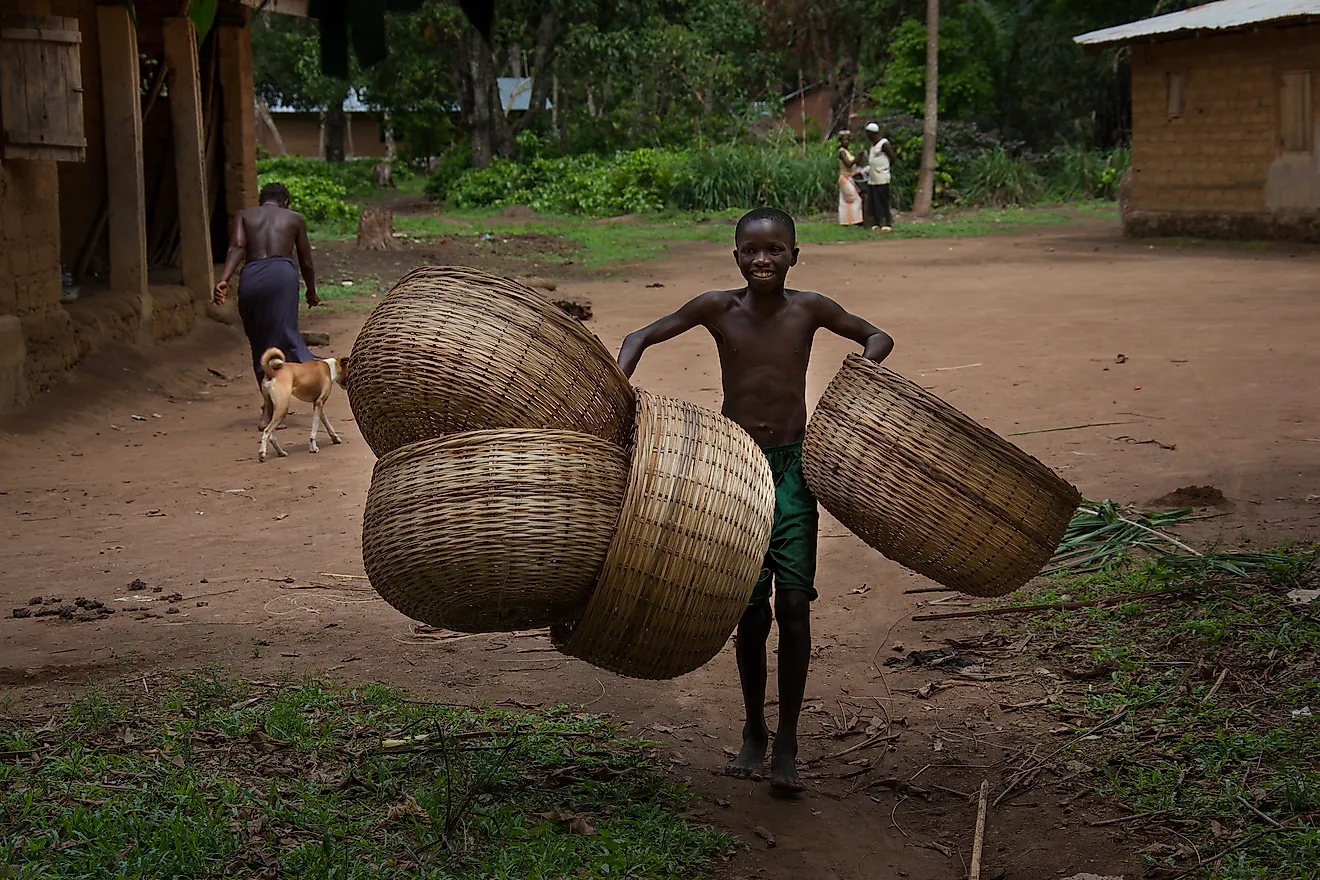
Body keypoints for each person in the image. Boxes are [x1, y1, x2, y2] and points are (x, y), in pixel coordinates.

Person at [617, 207, 894, 795]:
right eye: (751, 250)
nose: (762, 259)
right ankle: (754, 729)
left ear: (795, 254)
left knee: (794, 605)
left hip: (796, 469)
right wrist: (620, 384)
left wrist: (857, 377)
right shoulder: (717, 308)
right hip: (734, 468)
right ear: (735, 255)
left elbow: (878, 336)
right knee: (750, 609)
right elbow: (640, 335)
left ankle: (789, 738)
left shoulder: (810, 308)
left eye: (775, 249)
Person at [213, 182, 320, 400]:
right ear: (286, 202)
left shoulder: (244, 215)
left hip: (252, 277)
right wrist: (311, 291)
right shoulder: (293, 218)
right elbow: (306, 261)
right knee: (283, 336)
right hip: (282, 277)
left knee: (259, 341)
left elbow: (236, 247)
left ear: (261, 201)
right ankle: (290, 390)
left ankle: (268, 402)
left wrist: (223, 280)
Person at [862, 122, 897, 232]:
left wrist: (884, 168)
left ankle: (888, 222)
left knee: (883, 199)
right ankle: (877, 222)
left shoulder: (884, 144)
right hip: (873, 178)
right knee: (874, 200)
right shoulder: (873, 145)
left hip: (882, 176)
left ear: (872, 133)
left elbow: (893, 158)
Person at [836, 131, 864, 227]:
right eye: (844, 139)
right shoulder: (842, 152)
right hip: (845, 178)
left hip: (849, 177)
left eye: (847, 139)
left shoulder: (847, 151)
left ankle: (846, 221)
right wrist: (858, 157)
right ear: (840, 141)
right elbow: (848, 164)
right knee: (855, 198)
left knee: (845, 201)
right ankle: (857, 220)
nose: (846, 141)